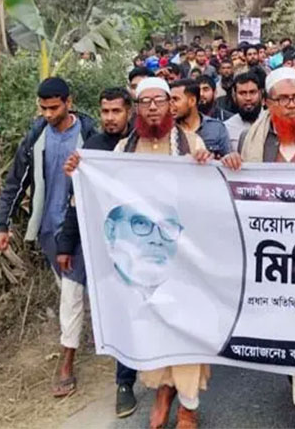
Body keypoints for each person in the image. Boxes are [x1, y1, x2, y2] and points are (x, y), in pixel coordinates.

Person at [229, 67, 295, 428]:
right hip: (272, 252)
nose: (293, 105)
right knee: (286, 324)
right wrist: (231, 165)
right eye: (284, 99)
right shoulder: (251, 139)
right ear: (268, 102)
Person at [110, 77, 212, 429]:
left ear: (172, 105)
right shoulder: (123, 150)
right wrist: (79, 169)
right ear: (136, 109)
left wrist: (204, 164)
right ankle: (164, 392)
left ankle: (188, 406)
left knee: (187, 328)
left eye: (160, 100)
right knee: (156, 328)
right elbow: (106, 194)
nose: (153, 107)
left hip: (186, 255)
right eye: (145, 102)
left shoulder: (191, 143)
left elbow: (208, 196)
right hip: (145, 259)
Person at [0, 78, 97, 398]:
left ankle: (67, 362)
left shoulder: (89, 135)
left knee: (71, 291)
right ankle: (92, 330)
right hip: (48, 229)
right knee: (68, 289)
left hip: (80, 227)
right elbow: (15, 183)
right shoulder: (36, 137)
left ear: (68, 102)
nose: (48, 114)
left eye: (54, 107)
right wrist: (1, 224)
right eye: (43, 108)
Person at [57, 88, 137, 418]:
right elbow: (78, 201)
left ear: (129, 112)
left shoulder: (141, 144)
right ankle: (124, 383)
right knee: (116, 310)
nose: (109, 118)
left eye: (116, 111)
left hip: (139, 245)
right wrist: (66, 244)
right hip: (102, 243)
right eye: (105, 111)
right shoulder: (91, 149)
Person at [170, 79, 232, 159]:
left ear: (192, 101)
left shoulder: (216, 128)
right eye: (169, 100)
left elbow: (228, 159)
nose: (170, 104)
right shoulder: (168, 131)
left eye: (175, 99)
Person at [224, 70, 266, 152]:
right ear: (234, 96)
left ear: (261, 94)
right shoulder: (227, 128)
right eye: (242, 93)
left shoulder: (273, 123)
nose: (248, 98)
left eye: (252, 92)